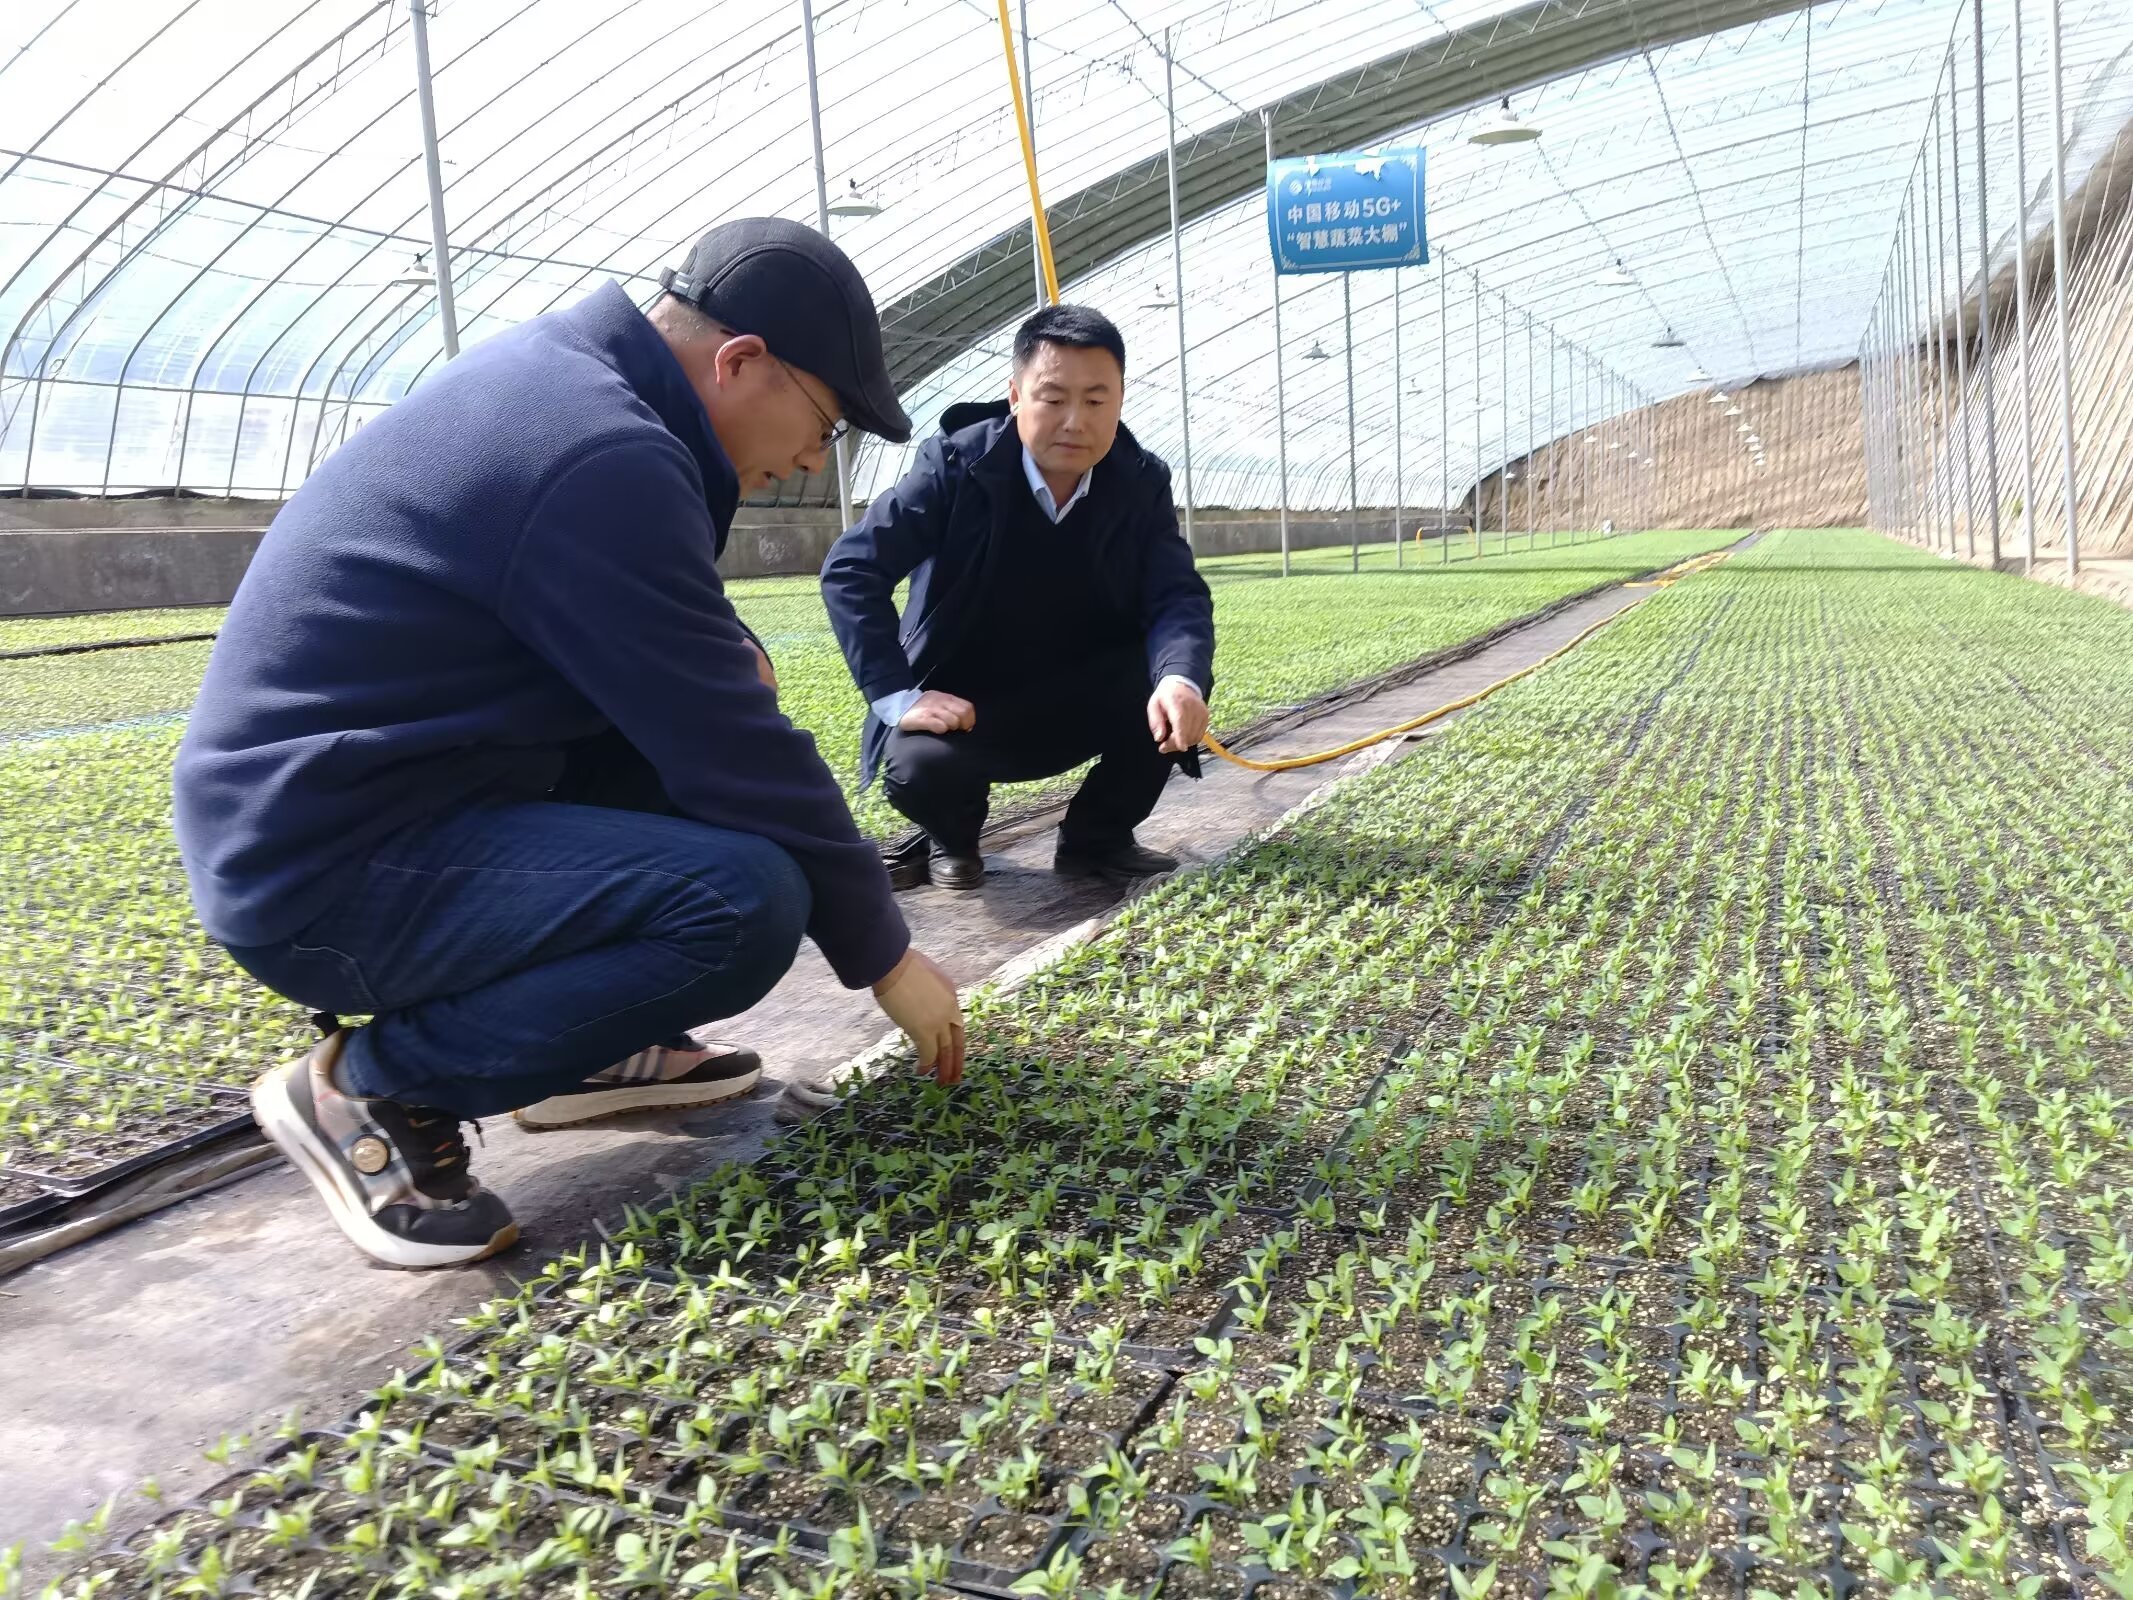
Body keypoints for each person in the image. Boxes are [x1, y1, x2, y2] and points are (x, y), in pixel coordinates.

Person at [172, 219, 964, 1271]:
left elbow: (670, 675)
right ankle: (371, 1087)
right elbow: (732, 742)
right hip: (325, 863)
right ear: (740, 363)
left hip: (388, 798)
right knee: (741, 903)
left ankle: (584, 1053)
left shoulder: (574, 388)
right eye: (822, 426)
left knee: (707, 782)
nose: (813, 461)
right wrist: (885, 954)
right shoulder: (604, 448)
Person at [820, 304, 1215, 891]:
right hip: (968, 706)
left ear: (1121, 401)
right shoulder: (957, 465)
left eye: (1097, 400)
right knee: (918, 765)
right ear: (1014, 396)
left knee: (1173, 687)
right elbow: (852, 568)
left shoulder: (1138, 480)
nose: (1075, 421)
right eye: (1053, 399)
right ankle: (953, 840)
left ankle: (1096, 839)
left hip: (1082, 694)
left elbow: (1175, 593)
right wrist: (897, 696)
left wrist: (1179, 679)